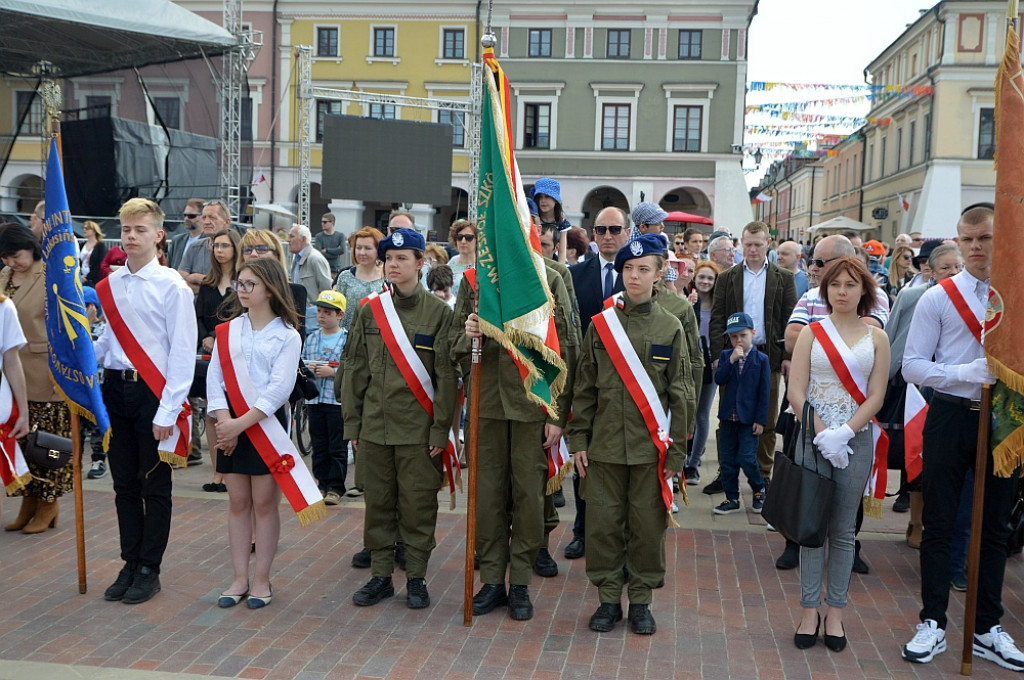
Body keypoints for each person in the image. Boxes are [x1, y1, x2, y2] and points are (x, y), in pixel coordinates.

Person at [901, 206, 1024, 670]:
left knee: (994, 528)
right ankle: (932, 620)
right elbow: (912, 365)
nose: (976, 247)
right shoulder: (938, 297)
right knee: (940, 522)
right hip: (952, 415)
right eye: (967, 239)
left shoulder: (1018, 292)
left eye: (985, 238)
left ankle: (988, 626)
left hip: (1004, 422)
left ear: (1002, 238)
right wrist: (961, 373)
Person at [568, 233, 692, 635]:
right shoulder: (601, 326)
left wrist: (677, 453)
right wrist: (579, 440)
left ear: (659, 275)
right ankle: (607, 599)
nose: (634, 276)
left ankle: (640, 600)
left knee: (646, 528)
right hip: (603, 449)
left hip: (648, 451)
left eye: (643, 269)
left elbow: (682, 394)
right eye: (628, 269)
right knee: (602, 526)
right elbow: (583, 388)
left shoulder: (670, 326)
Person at [455, 236, 577, 621]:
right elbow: (453, 345)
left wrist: (557, 416)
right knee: (487, 495)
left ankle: (520, 581)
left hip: (531, 407)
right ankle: (492, 579)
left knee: (527, 497)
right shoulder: (472, 281)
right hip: (487, 405)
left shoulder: (548, 279)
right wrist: (469, 335)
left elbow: (566, 348)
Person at [344, 228, 456, 609]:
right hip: (375, 427)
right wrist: (352, 424)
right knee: (378, 503)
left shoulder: (439, 314)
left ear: (420, 264)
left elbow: (446, 378)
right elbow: (355, 368)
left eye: (402, 258)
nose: (393, 264)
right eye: (389, 258)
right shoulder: (370, 311)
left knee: (417, 505)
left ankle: (417, 578)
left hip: (418, 431)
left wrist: (441, 430)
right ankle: (380, 577)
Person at [94, 198, 196, 604]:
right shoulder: (112, 284)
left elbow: (182, 353)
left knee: (154, 484)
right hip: (114, 390)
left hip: (152, 394)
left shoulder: (173, 286)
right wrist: (79, 353)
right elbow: (107, 342)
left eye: (140, 230)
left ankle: (150, 567)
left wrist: (168, 409)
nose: (131, 236)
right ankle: (129, 561)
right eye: (126, 229)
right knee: (123, 484)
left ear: (158, 234)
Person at [788, 256, 889, 654]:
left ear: (864, 290)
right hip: (813, 438)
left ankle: (836, 611)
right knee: (812, 526)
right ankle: (809, 609)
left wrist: (846, 430)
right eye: (835, 285)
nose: (842, 292)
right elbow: (796, 390)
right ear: (825, 290)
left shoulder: (876, 337)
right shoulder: (812, 333)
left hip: (856, 439)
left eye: (850, 285)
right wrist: (821, 432)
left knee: (843, 531)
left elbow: (878, 394)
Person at [774, 234, 889, 572]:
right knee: (803, 487)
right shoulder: (810, 296)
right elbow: (793, 338)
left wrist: (823, 341)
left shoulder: (876, 295)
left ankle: (846, 545)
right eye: (817, 264)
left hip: (855, 416)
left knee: (845, 499)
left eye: (820, 263)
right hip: (810, 413)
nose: (814, 268)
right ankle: (794, 541)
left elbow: (866, 334)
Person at [206, 257, 303, 610]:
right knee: (237, 503)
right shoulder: (228, 331)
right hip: (230, 425)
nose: (243, 290)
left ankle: (262, 579)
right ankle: (238, 577)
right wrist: (223, 421)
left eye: (250, 284)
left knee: (264, 504)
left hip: (265, 426)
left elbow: (279, 390)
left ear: (270, 288)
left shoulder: (287, 335)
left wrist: (238, 424)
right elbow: (214, 379)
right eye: (240, 284)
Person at [885, 243, 962, 549]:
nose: (953, 273)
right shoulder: (912, 296)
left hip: (953, 387)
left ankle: (944, 524)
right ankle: (916, 522)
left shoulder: (976, 299)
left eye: (958, 267)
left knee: (946, 461)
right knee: (919, 455)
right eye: (946, 268)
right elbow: (892, 338)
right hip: (916, 388)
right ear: (930, 269)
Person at [709, 221, 797, 485]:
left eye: (758, 244)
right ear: (741, 244)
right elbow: (717, 318)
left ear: (768, 244)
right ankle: (727, 474)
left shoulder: (783, 277)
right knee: (729, 416)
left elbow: (790, 318)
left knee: (766, 418)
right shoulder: (727, 277)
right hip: (734, 355)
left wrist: (787, 356)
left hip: (766, 356)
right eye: (748, 244)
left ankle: (763, 473)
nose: (753, 249)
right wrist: (718, 355)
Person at [565, 206, 630, 560]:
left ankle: (622, 535)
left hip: (630, 384)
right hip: (589, 382)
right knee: (584, 456)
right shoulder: (575, 275)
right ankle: (582, 531)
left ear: (627, 232)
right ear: (592, 234)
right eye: (601, 229)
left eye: (615, 229)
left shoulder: (637, 274)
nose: (607, 235)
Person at [0, 226, 73, 534]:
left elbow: (67, 327)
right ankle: (28, 500)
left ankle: (48, 503)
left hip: (45, 371)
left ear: (30, 247)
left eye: (16, 255)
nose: (12, 262)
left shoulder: (51, 275)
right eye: (5, 257)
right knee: (21, 442)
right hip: (10, 377)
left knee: (47, 444)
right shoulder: (4, 276)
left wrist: (65, 372)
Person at [195, 229, 241, 492]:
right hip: (211, 356)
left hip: (236, 353)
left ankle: (233, 469)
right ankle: (217, 473)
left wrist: (218, 335)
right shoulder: (208, 283)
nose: (219, 250)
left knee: (232, 413)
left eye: (224, 245)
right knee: (212, 413)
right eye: (215, 246)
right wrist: (206, 337)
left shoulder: (244, 281)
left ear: (235, 248)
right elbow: (198, 316)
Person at [712, 312, 769, 515]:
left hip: (748, 420)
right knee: (727, 460)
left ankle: (758, 489)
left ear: (753, 333)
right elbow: (720, 379)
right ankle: (732, 498)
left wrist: (761, 420)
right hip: (728, 418)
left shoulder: (761, 360)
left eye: (742, 335)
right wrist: (731, 361)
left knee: (747, 457)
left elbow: (764, 393)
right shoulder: (727, 356)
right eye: (733, 336)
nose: (738, 340)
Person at [302, 290, 348, 506]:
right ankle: (321, 484)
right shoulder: (311, 338)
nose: (321, 316)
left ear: (340, 315)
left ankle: (336, 487)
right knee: (319, 444)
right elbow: (301, 363)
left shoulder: (347, 339)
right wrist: (308, 370)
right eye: (319, 311)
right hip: (315, 400)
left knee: (337, 445)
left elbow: (352, 368)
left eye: (327, 312)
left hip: (336, 401)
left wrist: (334, 373)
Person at [238, 229, 307, 337]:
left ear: (277, 255)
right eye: (248, 249)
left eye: (261, 249)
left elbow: (298, 337)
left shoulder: (295, 292)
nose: (253, 254)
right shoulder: (235, 292)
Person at [334, 226, 385, 334]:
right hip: (348, 336)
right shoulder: (345, 277)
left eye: (367, 248)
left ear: (378, 250)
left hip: (378, 337)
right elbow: (337, 310)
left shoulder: (387, 278)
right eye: (358, 247)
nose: (362, 252)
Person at [286, 224, 332, 332]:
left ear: (303, 239)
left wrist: (321, 314)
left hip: (312, 321)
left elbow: (327, 289)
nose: (288, 240)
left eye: (292, 236)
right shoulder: (296, 259)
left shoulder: (315, 259)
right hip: (299, 316)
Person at [180, 200, 230, 294]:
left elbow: (229, 283)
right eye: (204, 217)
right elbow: (181, 277)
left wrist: (200, 279)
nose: (207, 222)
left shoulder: (235, 248)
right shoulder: (194, 247)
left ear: (226, 222)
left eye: (212, 217)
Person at [531, 177, 571, 264]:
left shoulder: (562, 223)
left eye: (547, 197)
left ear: (556, 200)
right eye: (540, 197)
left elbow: (562, 250)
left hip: (553, 262)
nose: (543, 201)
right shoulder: (532, 219)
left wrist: (560, 270)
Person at [167, 199, 205, 271]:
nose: (186, 218)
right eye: (185, 215)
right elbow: (169, 267)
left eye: (191, 216)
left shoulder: (210, 241)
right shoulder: (177, 240)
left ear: (203, 217)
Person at [447, 219, 478, 296]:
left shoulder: (481, 265)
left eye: (468, 237)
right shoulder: (451, 262)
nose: (463, 241)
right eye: (459, 237)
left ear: (477, 240)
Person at [314, 212, 347, 277]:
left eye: (325, 222)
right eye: (322, 222)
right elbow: (319, 253)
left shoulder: (340, 235)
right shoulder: (318, 236)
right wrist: (335, 254)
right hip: (322, 270)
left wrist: (327, 250)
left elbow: (342, 250)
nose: (322, 224)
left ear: (332, 223)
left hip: (335, 270)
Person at [79, 220, 109, 287]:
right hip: (81, 278)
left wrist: (88, 277)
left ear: (94, 231)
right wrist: (80, 275)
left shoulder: (100, 246)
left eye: (87, 228)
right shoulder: (81, 245)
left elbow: (100, 264)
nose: (84, 230)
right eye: (83, 228)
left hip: (94, 280)